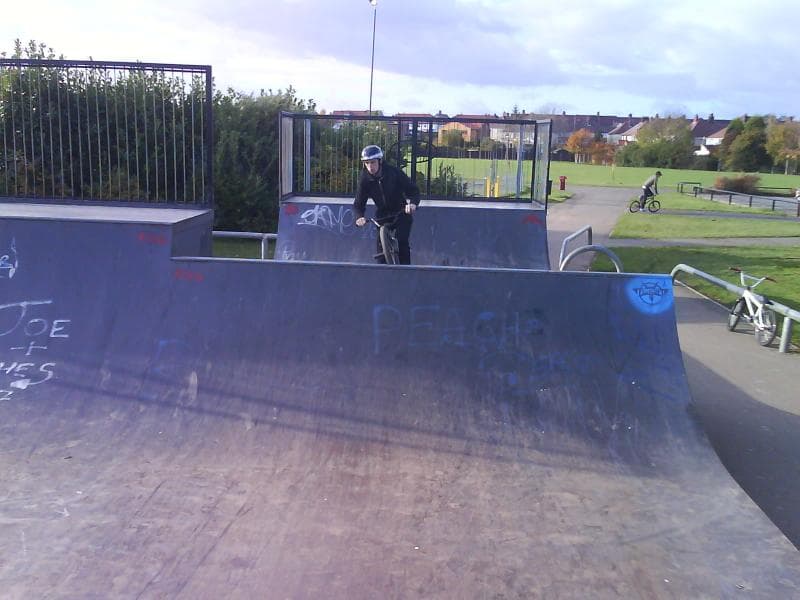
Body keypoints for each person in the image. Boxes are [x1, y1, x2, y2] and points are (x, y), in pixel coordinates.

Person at [354, 144, 420, 265]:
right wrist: (359, 216)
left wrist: (413, 204)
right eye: (366, 163)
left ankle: (407, 273)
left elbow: (413, 191)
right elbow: (359, 203)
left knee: (402, 241)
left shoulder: (393, 173)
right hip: (383, 215)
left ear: (380, 161)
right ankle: (382, 277)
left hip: (401, 211)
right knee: (380, 251)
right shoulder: (365, 179)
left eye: (373, 162)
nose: (370, 167)